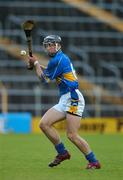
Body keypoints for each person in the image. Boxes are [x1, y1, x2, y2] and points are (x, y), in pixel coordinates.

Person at [28, 35, 101, 169]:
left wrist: (36, 64)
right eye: (48, 45)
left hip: (73, 98)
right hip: (64, 99)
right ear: (45, 47)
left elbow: (45, 80)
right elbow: (49, 71)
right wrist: (36, 65)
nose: (51, 47)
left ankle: (94, 161)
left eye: (53, 44)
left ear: (59, 45)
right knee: (44, 124)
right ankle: (62, 153)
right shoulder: (58, 59)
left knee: (72, 135)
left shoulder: (59, 59)